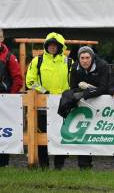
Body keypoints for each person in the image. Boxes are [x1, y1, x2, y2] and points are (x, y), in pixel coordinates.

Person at [26, 32, 70, 169]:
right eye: (49, 45)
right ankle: (44, 166)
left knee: (61, 135)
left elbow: (74, 82)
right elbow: (30, 81)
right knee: (41, 137)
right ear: (46, 46)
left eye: (55, 45)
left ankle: (59, 166)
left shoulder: (69, 61)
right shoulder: (37, 61)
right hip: (42, 106)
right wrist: (44, 91)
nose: (52, 47)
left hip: (63, 106)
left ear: (60, 47)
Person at [67, 46, 109, 169]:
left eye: (87, 58)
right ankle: (84, 165)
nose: (85, 61)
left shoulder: (102, 65)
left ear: (92, 57)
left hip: (102, 105)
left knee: (104, 135)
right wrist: (80, 91)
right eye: (82, 58)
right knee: (84, 133)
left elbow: (104, 88)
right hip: (84, 106)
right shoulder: (75, 67)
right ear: (79, 59)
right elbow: (73, 87)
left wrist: (86, 91)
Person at [0, 29, 23, 167]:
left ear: (2, 38)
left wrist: (9, 97)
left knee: (4, 132)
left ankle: (3, 164)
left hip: (4, 100)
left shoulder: (9, 56)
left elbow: (18, 79)